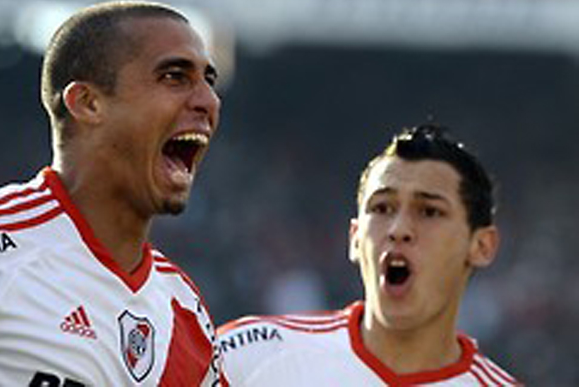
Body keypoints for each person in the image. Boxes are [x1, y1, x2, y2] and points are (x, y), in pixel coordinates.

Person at [0, 0, 228, 386]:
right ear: (88, 103)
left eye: (208, 81)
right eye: (174, 77)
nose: (208, 101)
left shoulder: (186, 313)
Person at [218, 124, 521, 386]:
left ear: (482, 246)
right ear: (355, 237)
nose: (399, 229)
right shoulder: (246, 358)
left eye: (429, 211)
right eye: (382, 208)